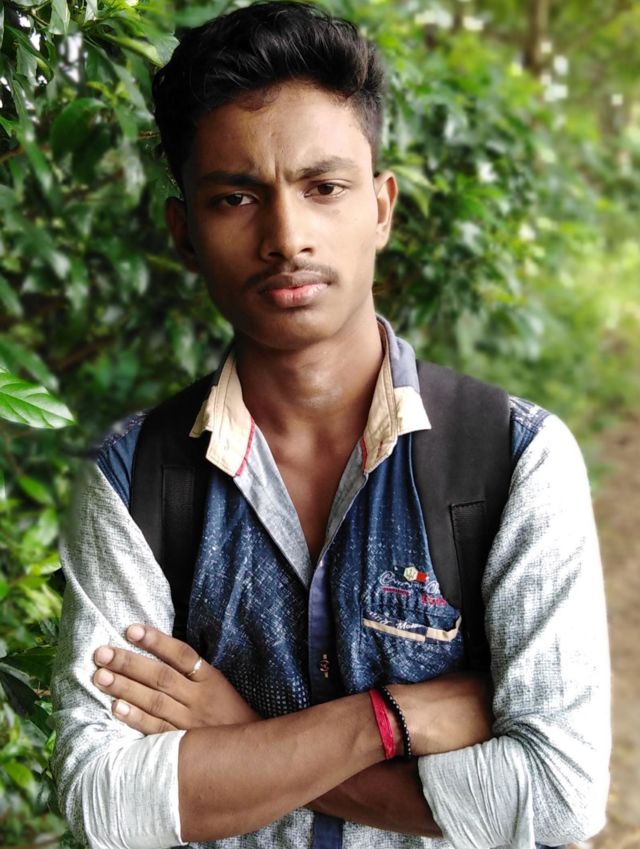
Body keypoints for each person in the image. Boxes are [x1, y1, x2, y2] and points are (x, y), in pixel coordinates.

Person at [51, 3, 610, 849]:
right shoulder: (136, 479)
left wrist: (239, 738)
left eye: (324, 188)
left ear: (381, 208)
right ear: (184, 233)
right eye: (236, 197)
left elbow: (559, 793)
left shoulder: (512, 459)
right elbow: (102, 799)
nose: (287, 237)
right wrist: (383, 721)